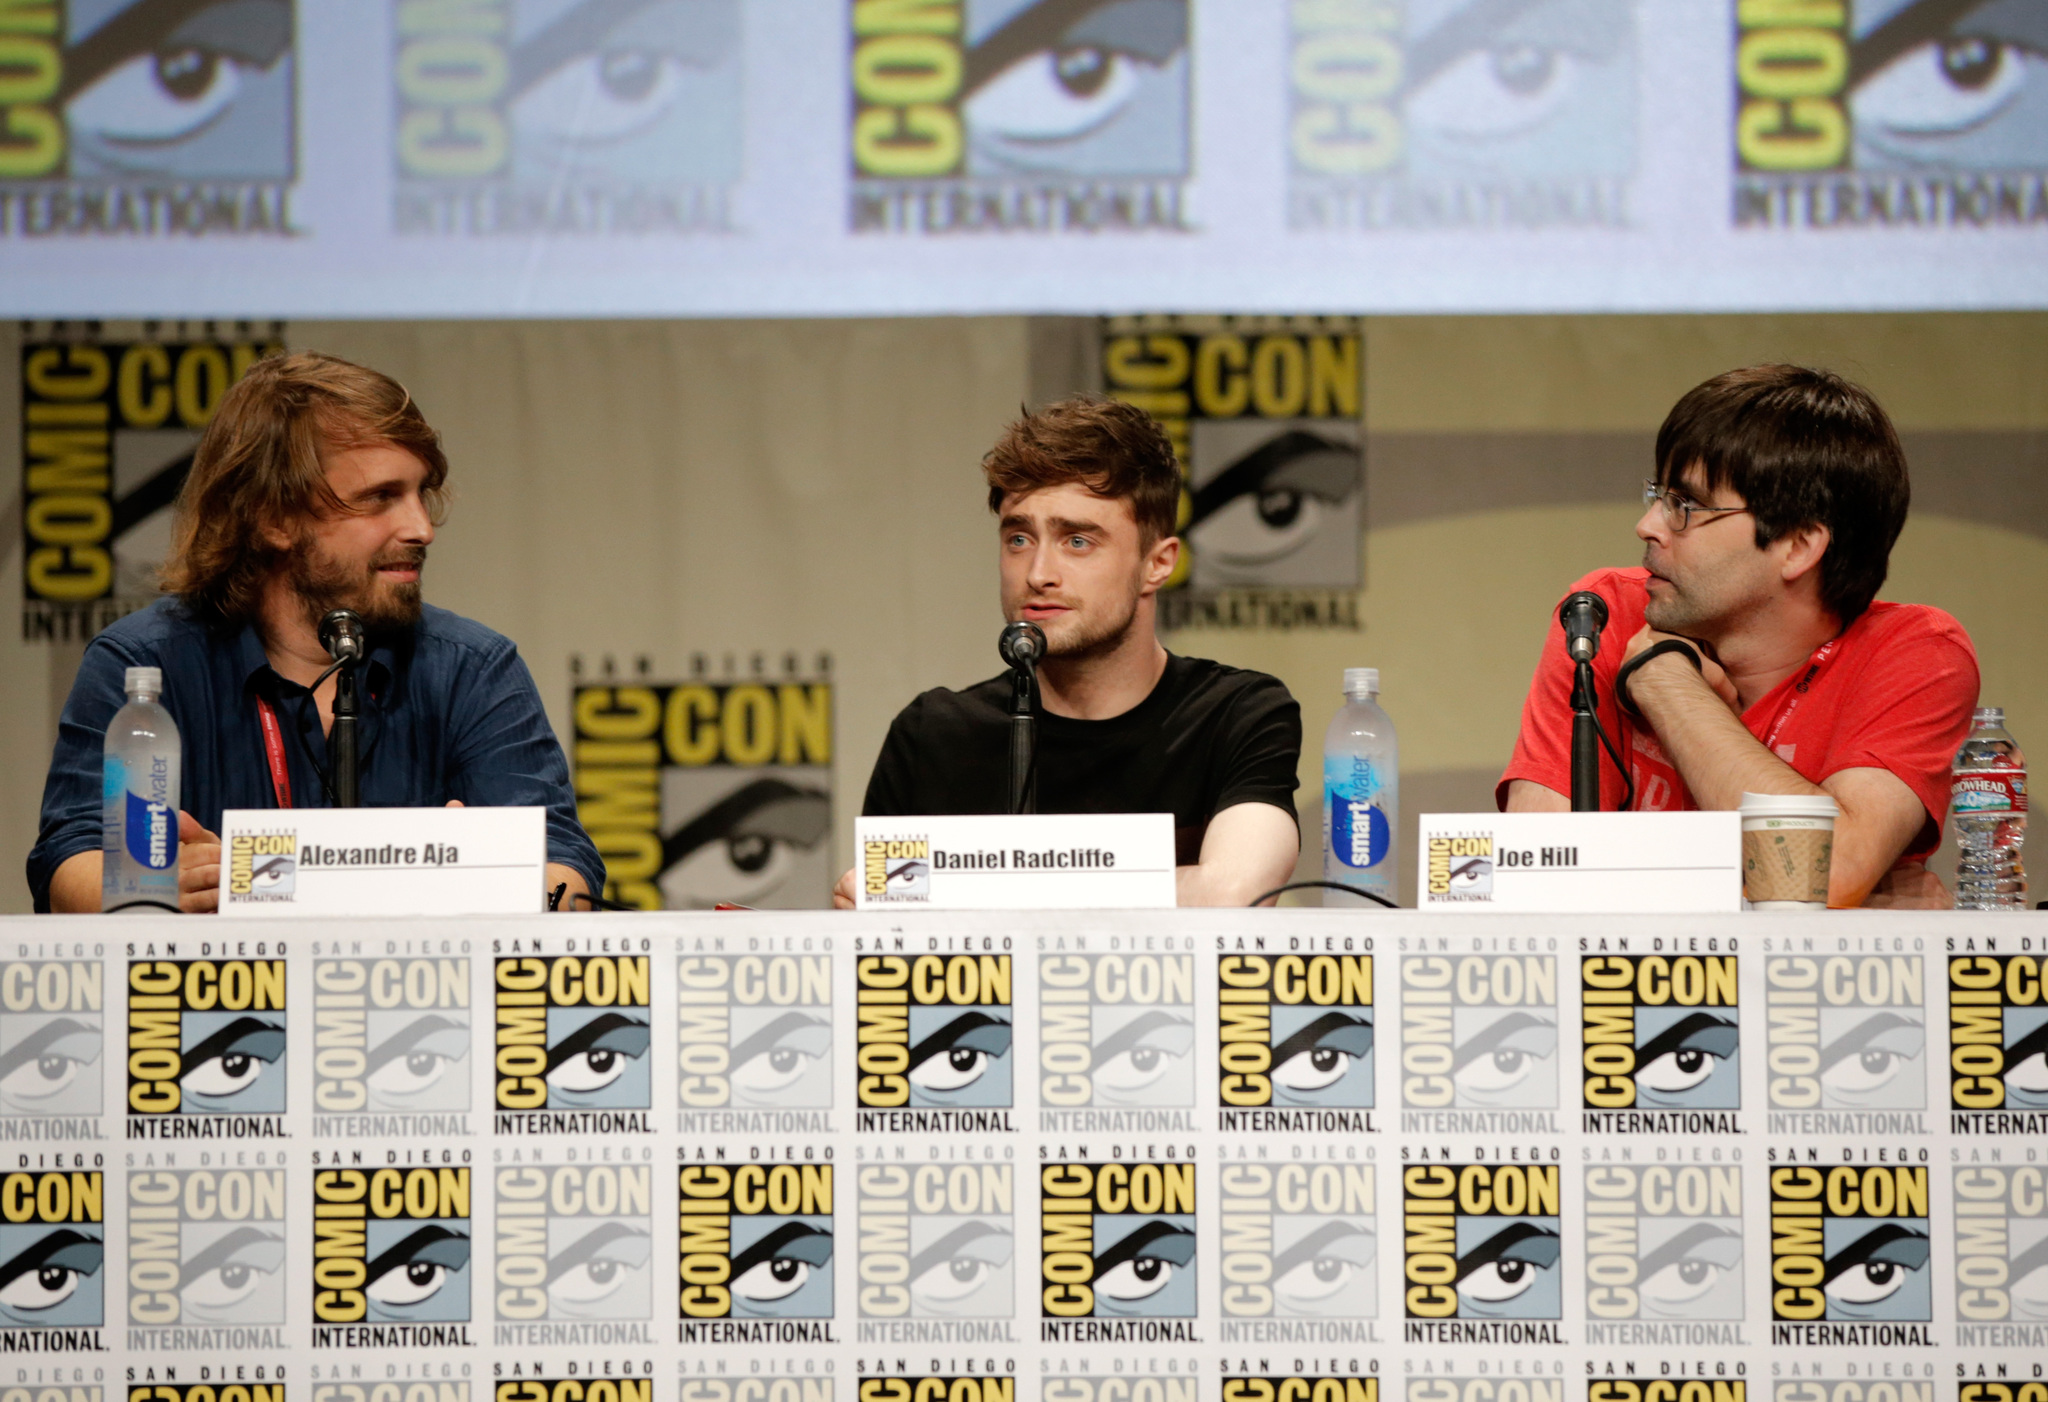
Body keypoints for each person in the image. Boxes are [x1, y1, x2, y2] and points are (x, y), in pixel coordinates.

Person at [29, 351, 603, 913]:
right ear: (273, 518)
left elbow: (567, 875)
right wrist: (154, 885)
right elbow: (70, 861)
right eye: (381, 498)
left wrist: (493, 881)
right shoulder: (144, 664)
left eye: (420, 494)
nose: (422, 527)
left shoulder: (474, 669)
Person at [1499, 364, 1979, 908]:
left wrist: (1664, 680)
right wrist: (1842, 890)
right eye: (1658, 495)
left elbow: (1828, 875)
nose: (1649, 525)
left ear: (1797, 546)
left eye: (1686, 506)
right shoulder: (1605, 613)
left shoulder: (1916, 653)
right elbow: (1536, 874)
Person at [833, 396, 1303, 908]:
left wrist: (955, 890)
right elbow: (873, 917)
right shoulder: (934, 732)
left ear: (1157, 564)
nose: (1037, 573)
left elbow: (1235, 893)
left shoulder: (1235, 713)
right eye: (1018, 538)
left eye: (1077, 541)